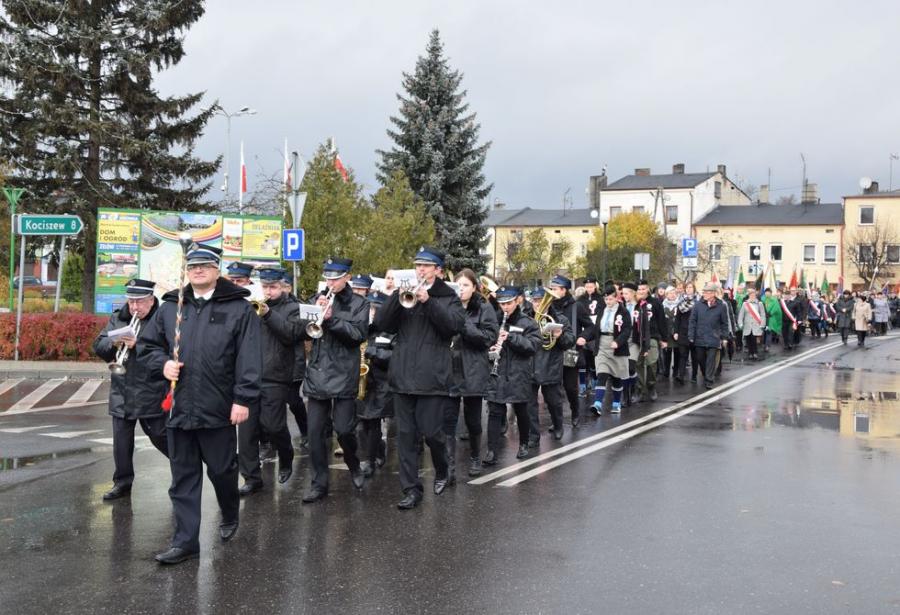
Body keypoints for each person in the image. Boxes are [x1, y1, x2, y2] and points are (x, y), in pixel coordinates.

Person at [142, 244, 260, 565]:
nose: (198, 270)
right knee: (183, 477)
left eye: (206, 265)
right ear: (187, 270)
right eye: (193, 266)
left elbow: (249, 358)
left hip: (219, 408)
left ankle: (230, 511)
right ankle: (185, 542)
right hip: (179, 408)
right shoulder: (170, 307)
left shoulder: (238, 308)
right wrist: (162, 363)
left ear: (217, 269)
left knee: (222, 471)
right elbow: (148, 346)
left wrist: (243, 399)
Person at [373, 247, 466, 510]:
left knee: (432, 433)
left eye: (426, 266)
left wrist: (429, 301)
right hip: (403, 376)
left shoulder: (449, 297)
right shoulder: (405, 294)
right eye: (417, 266)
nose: (420, 271)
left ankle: (442, 467)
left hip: (432, 377)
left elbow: (453, 327)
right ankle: (411, 490)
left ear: (437, 270)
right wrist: (394, 297)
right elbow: (382, 323)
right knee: (405, 436)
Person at [298, 257, 369, 503]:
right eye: (327, 277)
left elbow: (358, 335)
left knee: (344, 430)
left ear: (347, 277)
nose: (330, 282)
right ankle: (319, 484)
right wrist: (313, 313)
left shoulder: (359, 303)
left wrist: (332, 320)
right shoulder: (316, 299)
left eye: (335, 278)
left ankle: (354, 463)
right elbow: (301, 329)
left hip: (343, 375)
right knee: (315, 433)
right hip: (317, 374)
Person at [92, 279, 169, 501]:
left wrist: (139, 345)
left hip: (151, 389)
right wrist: (112, 344)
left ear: (151, 300)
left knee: (160, 436)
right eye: (131, 301)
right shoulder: (119, 318)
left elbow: (170, 350)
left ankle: (184, 468)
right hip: (122, 389)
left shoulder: (162, 318)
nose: (135, 307)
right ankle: (122, 483)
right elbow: (98, 346)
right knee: (121, 442)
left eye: (140, 302)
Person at [237, 267, 301, 496]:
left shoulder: (293, 308)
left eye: (273, 287)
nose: (268, 291)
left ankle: (286, 455)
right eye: (265, 287)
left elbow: (290, 335)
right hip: (248, 376)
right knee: (246, 433)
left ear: (283, 287)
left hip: (275, 376)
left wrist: (267, 314)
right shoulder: (249, 307)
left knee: (273, 426)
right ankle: (252, 478)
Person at [446, 269, 498, 477]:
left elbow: (488, 338)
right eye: (458, 285)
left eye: (466, 285)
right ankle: (449, 466)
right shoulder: (448, 307)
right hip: (449, 369)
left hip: (473, 370)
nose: (462, 289)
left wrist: (464, 323)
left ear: (475, 287)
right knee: (447, 421)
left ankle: (475, 457)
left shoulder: (484, 308)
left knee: (473, 421)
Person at [484, 286, 541, 464]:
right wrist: (490, 348)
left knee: (521, 410)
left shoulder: (528, 323)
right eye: (502, 304)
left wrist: (510, 338)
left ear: (517, 300)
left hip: (519, 373)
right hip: (498, 372)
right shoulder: (493, 320)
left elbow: (532, 346)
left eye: (508, 303)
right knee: (494, 412)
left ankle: (523, 443)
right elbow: (485, 340)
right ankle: (492, 451)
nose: (505, 307)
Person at [357, 291, 394, 478]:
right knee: (361, 424)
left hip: (381, 382)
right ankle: (378, 448)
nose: (371, 312)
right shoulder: (361, 328)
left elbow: (396, 356)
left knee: (372, 422)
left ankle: (369, 461)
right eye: (369, 308)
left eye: (374, 308)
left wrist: (374, 353)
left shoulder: (391, 330)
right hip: (362, 382)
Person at [548, 275, 594, 426]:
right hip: (551, 352)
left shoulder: (577, 306)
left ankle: (575, 411)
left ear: (563, 290)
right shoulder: (549, 305)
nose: (552, 291)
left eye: (554, 289)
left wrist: (583, 337)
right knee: (554, 389)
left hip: (570, 351)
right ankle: (557, 421)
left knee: (570, 387)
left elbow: (590, 326)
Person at [529, 286, 573, 439]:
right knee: (530, 404)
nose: (537, 304)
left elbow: (569, 342)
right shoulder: (525, 318)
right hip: (530, 365)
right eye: (535, 301)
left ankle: (558, 425)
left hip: (551, 365)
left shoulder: (560, 319)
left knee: (554, 401)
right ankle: (533, 435)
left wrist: (560, 335)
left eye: (541, 301)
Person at [591, 284, 632, 413]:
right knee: (602, 374)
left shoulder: (623, 311)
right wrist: (584, 338)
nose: (608, 302)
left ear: (616, 298)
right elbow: (595, 328)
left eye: (610, 299)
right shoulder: (601, 310)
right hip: (603, 345)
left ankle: (616, 403)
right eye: (606, 299)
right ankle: (597, 404)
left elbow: (626, 330)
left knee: (616, 377)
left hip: (616, 346)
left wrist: (618, 342)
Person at [281, 272, 308, 449]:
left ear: (289, 288)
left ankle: (305, 430)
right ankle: (270, 439)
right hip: (272, 364)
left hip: (293, 363)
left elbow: (296, 334)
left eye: (282, 286)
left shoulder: (297, 307)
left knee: (293, 400)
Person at [688, 282, 730, 390]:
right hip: (700, 336)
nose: (704, 294)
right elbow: (692, 321)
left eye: (707, 292)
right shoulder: (698, 305)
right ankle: (705, 373)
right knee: (701, 359)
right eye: (704, 292)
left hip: (714, 337)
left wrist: (724, 337)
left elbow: (724, 323)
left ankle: (709, 380)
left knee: (711, 360)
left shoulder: (721, 306)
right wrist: (691, 335)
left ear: (713, 293)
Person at [620, 282, 646, 404]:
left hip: (634, 340)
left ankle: (634, 389)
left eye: (626, 293)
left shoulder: (641, 307)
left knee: (631, 367)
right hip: (623, 340)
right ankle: (626, 396)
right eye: (623, 293)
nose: (624, 296)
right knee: (623, 369)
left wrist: (645, 347)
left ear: (632, 293)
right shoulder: (621, 306)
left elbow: (645, 327)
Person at [578, 276, 602, 394]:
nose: (589, 289)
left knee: (593, 358)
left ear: (595, 286)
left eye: (591, 286)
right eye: (587, 286)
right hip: (584, 331)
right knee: (583, 359)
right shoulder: (580, 299)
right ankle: (582, 384)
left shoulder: (601, 298)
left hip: (595, 331)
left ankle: (594, 381)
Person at [736, 286, 766, 360]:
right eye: (751, 295)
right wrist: (740, 323)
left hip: (756, 325)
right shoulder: (745, 304)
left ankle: (755, 353)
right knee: (748, 339)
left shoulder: (760, 304)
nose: (752, 296)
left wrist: (763, 324)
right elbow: (741, 315)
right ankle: (750, 353)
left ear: (755, 295)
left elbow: (763, 315)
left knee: (754, 339)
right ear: (749, 296)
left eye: (754, 295)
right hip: (747, 325)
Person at [672, 289, 694, 384]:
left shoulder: (698, 302)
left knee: (695, 356)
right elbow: (677, 319)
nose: (689, 289)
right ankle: (681, 375)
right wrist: (676, 332)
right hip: (682, 331)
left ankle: (694, 375)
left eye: (691, 287)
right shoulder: (681, 303)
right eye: (687, 288)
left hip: (694, 332)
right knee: (683, 354)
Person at [660, 286, 679, 378]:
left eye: (674, 293)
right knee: (666, 353)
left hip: (676, 332)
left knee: (677, 353)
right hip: (666, 332)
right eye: (670, 293)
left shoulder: (680, 304)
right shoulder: (662, 305)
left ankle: (676, 370)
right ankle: (666, 370)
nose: (672, 295)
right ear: (666, 294)